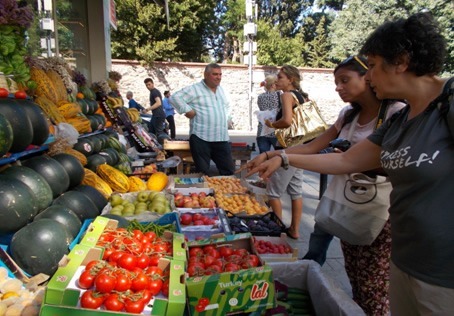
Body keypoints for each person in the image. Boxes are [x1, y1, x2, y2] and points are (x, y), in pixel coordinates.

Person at [246, 12, 454, 315]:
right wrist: (282, 156)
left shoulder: (447, 103)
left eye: (370, 66)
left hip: (444, 272)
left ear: (401, 61)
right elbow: (345, 159)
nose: (368, 76)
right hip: (406, 261)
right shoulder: (399, 121)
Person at [262, 65, 308, 240]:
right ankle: (294, 230)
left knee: (273, 192)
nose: (277, 80)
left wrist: (272, 124)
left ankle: (277, 229)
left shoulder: (287, 95)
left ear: (291, 79)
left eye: (281, 77)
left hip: (287, 150)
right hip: (301, 149)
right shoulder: (302, 96)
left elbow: (287, 121)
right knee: (296, 192)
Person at [169, 63, 235, 175]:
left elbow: (227, 105)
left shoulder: (221, 90)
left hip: (221, 137)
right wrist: (187, 110)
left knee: (229, 171)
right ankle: (205, 192)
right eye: (215, 74)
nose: (218, 77)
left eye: (220, 74)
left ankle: (228, 192)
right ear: (206, 75)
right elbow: (175, 97)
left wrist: (227, 118)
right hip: (201, 138)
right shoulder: (195, 89)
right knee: (203, 173)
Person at [256, 75, 280, 153]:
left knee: (263, 156)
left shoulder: (260, 97)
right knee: (279, 156)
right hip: (275, 130)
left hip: (262, 130)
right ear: (273, 85)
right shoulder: (279, 95)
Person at [143, 78, 168, 143]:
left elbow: (158, 103)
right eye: (146, 85)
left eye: (149, 84)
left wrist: (148, 109)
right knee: (151, 131)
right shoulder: (153, 92)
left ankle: (166, 146)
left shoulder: (154, 92)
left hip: (158, 115)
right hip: (155, 115)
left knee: (159, 133)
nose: (148, 86)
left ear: (152, 84)